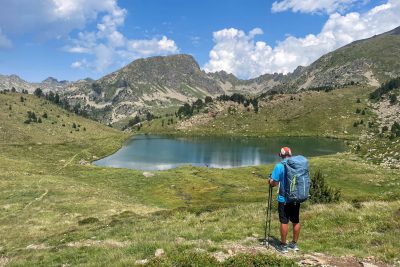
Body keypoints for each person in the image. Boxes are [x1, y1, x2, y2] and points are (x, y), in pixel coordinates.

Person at [268, 147, 300, 253]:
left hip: (284, 199)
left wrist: (270, 181)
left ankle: (283, 245)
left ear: (281, 155)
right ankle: (294, 244)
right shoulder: (297, 165)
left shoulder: (279, 166)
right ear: (290, 155)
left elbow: (275, 183)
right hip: (296, 198)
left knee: (284, 221)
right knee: (296, 221)